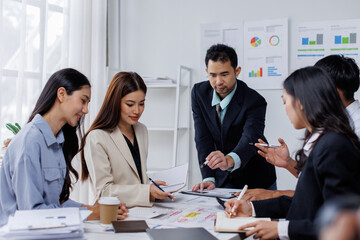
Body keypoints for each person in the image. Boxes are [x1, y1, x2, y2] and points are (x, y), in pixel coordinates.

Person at [224, 66, 360, 240]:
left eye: (285, 102)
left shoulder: (333, 145)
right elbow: (306, 203)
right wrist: (252, 208)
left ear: (301, 103)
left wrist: (281, 229)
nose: (285, 109)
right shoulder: (321, 141)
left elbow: (339, 223)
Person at [0, 68, 128, 226]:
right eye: (83, 100)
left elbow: (58, 204)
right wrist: (89, 214)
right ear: (61, 94)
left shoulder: (57, 141)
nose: (86, 110)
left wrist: (94, 209)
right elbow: (31, 214)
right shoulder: (30, 142)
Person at [240, 54, 360, 201]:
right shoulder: (328, 125)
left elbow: (332, 198)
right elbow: (318, 180)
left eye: (316, 86)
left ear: (334, 91)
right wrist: (289, 163)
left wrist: (274, 194)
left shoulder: (349, 132)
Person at [80, 72, 173, 207]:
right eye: (130, 104)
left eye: (141, 104)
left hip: (143, 212)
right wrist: (146, 191)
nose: (137, 110)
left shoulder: (142, 130)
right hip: (115, 214)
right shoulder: (97, 137)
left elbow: (136, 179)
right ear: (115, 103)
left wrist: (150, 186)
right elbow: (103, 192)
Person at [191, 44, 276, 192]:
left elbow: (251, 137)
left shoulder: (254, 100)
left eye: (224, 74)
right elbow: (202, 137)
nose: (218, 81)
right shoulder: (199, 93)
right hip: (223, 177)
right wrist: (208, 177)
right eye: (212, 75)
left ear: (237, 71)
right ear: (206, 72)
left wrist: (228, 160)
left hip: (254, 176)